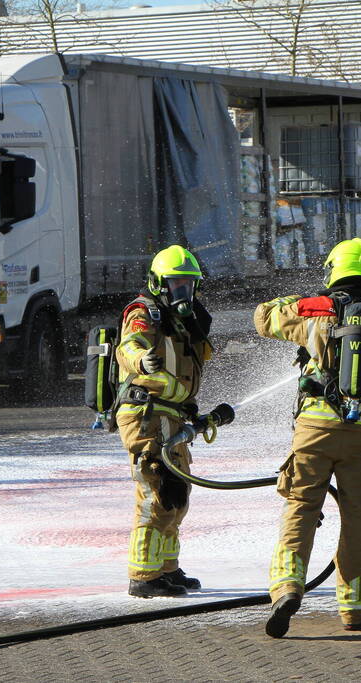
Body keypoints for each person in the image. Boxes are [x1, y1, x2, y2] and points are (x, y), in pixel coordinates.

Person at [253, 237, 361, 636]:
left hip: (314, 429)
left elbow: (263, 318)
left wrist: (302, 296)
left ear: (334, 271)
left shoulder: (315, 309)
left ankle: (287, 588)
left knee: (301, 505)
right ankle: (356, 609)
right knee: (356, 519)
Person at [114, 245, 214, 598]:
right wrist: (142, 361)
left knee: (178, 494)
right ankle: (143, 576)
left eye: (189, 284)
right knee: (155, 492)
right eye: (175, 284)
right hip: (145, 414)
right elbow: (129, 345)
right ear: (158, 283)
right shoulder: (144, 312)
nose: (182, 292)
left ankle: (167, 569)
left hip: (172, 414)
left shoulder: (186, 320)